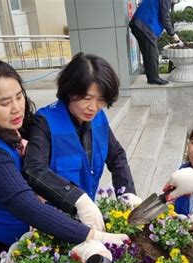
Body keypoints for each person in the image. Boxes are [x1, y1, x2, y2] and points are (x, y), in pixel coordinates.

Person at [0, 59, 128, 263]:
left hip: (13, 214)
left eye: (19, 96)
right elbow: (24, 204)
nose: (16, 108)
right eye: (5, 103)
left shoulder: (10, 123)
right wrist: (90, 235)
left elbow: (116, 155)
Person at [24, 53, 141, 232]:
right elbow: (34, 169)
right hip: (55, 220)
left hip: (87, 215)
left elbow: (116, 155)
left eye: (101, 99)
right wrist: (77, 199)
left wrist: (127, 193)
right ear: (70, 90)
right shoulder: (45, 121)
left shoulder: (98, 117)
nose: (93, 107)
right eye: (87, 98)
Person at [129, 0, 180, 85]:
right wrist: (172, 34)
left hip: (138, 23)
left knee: (148, 52)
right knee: (153, 52)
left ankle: (151, 77)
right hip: (144, 24)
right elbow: (164, 17)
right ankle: (154, 78)